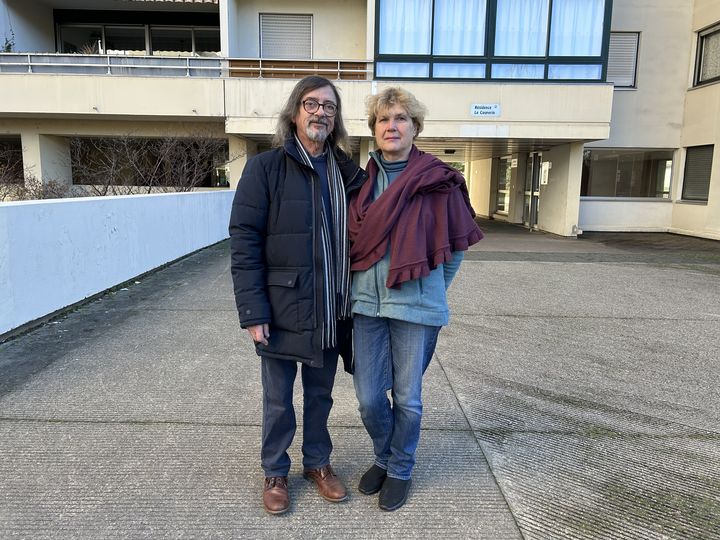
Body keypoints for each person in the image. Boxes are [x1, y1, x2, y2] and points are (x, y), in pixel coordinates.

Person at [229, 76, 367, 515]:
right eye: (312, 103)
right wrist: (253, 310)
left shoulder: (347, 172)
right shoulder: (264, 169)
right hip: (282, 308)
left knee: (321, 395)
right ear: (294, 112)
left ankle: (318, 464)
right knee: (278, 398)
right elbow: (244, 239)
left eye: (330, 106)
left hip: (330, 309)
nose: (321, 113)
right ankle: (274, 470)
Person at [348, 87, 483, 511]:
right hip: (366, 306)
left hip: (416, 308)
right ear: (373, 130)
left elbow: (455, 250)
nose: (392, 126)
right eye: (384, 120)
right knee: (370, 398)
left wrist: (430, 292)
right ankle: (384, 457)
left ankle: (400, 468)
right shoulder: (360, 184)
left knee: (407, 397)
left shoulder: (437, 181)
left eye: (401, 118)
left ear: (414, 127)